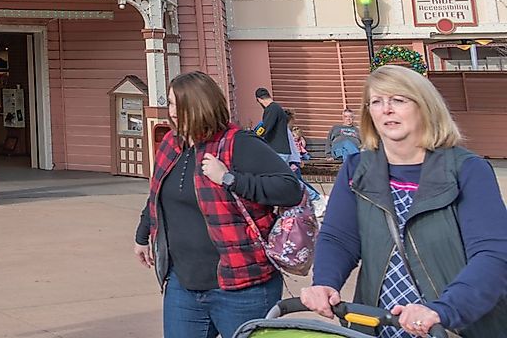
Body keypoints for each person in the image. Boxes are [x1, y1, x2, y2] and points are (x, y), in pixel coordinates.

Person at [301, 65, 507, 338]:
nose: (386, 109)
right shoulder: (357, 168)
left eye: (398, 100)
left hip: (454, 324)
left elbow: (492, 255)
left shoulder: (466, 170)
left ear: (425, 106)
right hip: (379, 324)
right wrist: (325, 281)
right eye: (376, 101)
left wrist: (443, 310)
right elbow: (339, 238)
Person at [135, 71, 300, 338]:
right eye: (171, 103)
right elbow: (157, 194)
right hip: (183, 283)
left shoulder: (238, 143)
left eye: (181, 104)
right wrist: (142, 235)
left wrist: (229, 178)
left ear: (202, 105)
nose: (174, 112)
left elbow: (290, 189)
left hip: (242, 286)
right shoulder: (170, 144)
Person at [254, 87, 293, 162]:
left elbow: (265, 128)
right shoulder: (277, 108)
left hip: (277, 151)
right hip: (282, 150)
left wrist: (254, 136)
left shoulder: (271, 109)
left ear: (259, 100)